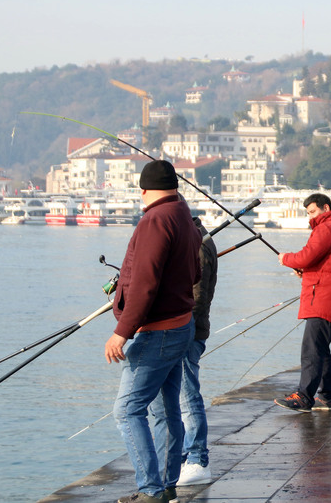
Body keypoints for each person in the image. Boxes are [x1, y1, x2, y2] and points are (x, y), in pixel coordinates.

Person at [106, 160, 201, 503]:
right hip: (182, 325)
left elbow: (145, 284)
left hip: (158, 333)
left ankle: (150, 490)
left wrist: (121, 332)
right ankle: (165, 483)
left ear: (143, 190)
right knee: (165, 409)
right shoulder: (183, 215)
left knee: (127, 410)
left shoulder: (154, 220)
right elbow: (195, 273)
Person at [274, 193, 331, 412]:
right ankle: (329, 396)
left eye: (313, 211)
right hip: (330, 293)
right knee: (320, 347)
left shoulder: (329, 227)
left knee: (311, 349)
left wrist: (286, 258)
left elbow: (307, 256)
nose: (310, 217)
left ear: (326, 208)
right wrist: (307, 270)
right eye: (308, 213)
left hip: (323, 296)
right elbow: (326, 262)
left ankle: (304, 397)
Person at [174, 216, 218, 487]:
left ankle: (197, 459)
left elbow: (197, 297)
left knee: (187, 397)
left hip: (187, 332)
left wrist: (181, 329)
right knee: (177, 397)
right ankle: (182, 457)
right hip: (186, 330)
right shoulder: (194, 238)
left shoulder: (198, 244)